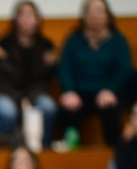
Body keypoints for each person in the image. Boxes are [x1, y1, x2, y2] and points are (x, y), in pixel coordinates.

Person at [54, 0, 132, 149]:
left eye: (99, 11)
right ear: (84, 16)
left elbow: (124, 70)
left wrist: (111, 90)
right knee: (67, 110)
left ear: (108, 16)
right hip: (79, 93)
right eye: (91, 11)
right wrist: (68, 91)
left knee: (111, 110)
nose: (95, 16)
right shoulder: (74, 40)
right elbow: (64, 67)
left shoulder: (118, 40)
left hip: (108, 92)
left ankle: (114, 152)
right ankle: (70, 151)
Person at [0, 1, 58, 145]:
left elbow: (45, 81)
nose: (28, 20)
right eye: (23, 15)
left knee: (48, 106)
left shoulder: (45, 46)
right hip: (7, 94)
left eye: (32, 15)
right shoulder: (3, 45)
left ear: (38, 19)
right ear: (16, 19)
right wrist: (20, 99)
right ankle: (3, 148)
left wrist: (47, 65)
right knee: (6, 110)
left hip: (35, 95)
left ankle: (44, 148)